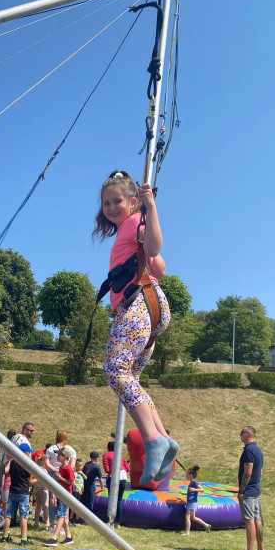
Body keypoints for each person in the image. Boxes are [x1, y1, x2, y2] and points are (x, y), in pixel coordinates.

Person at [94, 171, 175, 485]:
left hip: (139, 303)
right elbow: (161, 267)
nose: (112, 207)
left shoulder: (135, 221)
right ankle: (164, 437)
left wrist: (150, 208)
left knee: (115, 370)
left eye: (118, 201)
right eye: (106, 203)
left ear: (132, 201)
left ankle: (153, 440)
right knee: (133, 379)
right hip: (151, 308)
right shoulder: (128, 231)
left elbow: (154, 248)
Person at [237, 426, 265, 550]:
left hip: (248, 491)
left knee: (249, 521)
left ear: (248, 434)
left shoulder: (248, 451)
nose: (239, 435)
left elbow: (248, 472)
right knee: (257, 520)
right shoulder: (258, 450)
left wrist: (242, 490)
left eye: (241, 433)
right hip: (255, 489)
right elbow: (260, 472)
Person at [1, 443, 36, 547]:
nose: (29, 454)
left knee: (8, 514)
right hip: (23, 493)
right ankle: (24, 539)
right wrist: (39, 479)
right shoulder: (26, 465)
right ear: (25, 453)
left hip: (12, 491)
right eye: (29, 452)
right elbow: (29, 482)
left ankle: (5, 536)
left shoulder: (13, 463)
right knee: (23, 516)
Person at [43, 447, 75, 547]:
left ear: (65, 457)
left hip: (66, 494)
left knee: (61, 516)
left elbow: (72, 483)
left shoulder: (68, 468)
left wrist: (61, 478)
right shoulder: (61, 466)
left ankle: (54, 538)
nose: (57, 456)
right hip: (61, 493)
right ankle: (69, 537)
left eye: (59, 455)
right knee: (64, 517)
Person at [102, 440, 130, 527]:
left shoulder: (106, 455)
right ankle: (117, 522)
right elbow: (128, 469)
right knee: (119, 500)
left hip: (113, 477)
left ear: (108, 448)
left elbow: (106, 469)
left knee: (112, 500)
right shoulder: (120, 456)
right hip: (123, 477)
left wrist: (110, 471)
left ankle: (111, 520)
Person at [182, 466, 211, 535]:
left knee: (187, 516)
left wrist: (194, 489)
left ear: (191, 475)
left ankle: (187, 532)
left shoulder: (194, 482)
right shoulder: (191, 482)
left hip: (192, 502)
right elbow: (191, 492)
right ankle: (206, 525)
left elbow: (202, 489)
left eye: (187, 474)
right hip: (191, 502)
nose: (186, 476)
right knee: (193, 518)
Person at [32, 453, 50, 529]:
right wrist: (46, 488)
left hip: (36, 490)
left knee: (38, 507)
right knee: (45, 507)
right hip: (43, 490)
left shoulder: (36, 469)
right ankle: (47, 523)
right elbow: (44, 481)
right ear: (42, 462)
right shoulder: (44, 471)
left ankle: (36, 522)